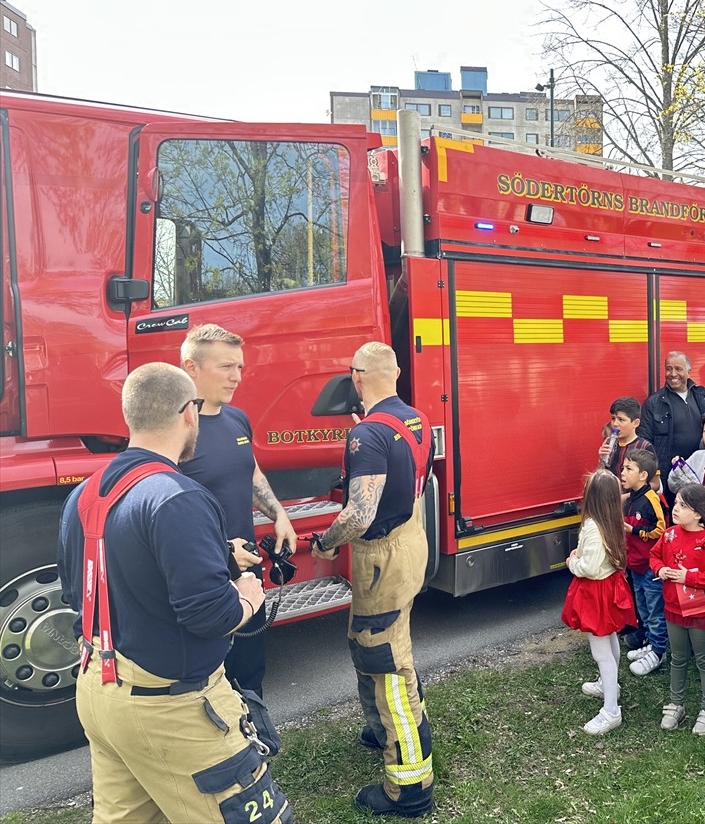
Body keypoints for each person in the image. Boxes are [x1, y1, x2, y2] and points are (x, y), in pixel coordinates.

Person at [57, 363, 289, 823]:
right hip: (172, 709)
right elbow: (211, 616)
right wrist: (246, 595)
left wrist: (213, 558)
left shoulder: (85, 494)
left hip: (100, 692)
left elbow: (84, 590)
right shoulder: (179, 495)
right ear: (189, 414)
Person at [310, 342, 434, 817]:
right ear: (397, 374)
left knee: (386, 662)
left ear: (356, 377)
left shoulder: (367, 435)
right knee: (374, 643)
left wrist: (325, 541)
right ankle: (383, 730)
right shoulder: (415, 419)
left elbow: (360, 514)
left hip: (381, 555)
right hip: (409, 542)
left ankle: (409, 785)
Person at [178, 324, 296, 699]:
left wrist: (279, 513)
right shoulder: (173, 430)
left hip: (248, 573)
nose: (237, 377)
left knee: (249, 672)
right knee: (209, 684)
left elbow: (250, 472)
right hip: (205, 576)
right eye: (226, 367)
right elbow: (164, 510)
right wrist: (220, 548)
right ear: (190, 366)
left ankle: (257, 747)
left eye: (240, 367)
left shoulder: (237, 418)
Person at [562, 468, 638, 736]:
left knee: (600, 650)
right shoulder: (612, 519)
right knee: (611, 639)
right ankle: (610, 685)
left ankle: (611, 710)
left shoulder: (593, 526)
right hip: (609, 587)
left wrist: (573, 562)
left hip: (595, 592)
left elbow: (590, 567)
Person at [651, 482, 705, 735]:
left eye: (683, 506)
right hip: (674, 610)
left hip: (700, 613)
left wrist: (690, 579)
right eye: (676, 503)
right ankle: (676, 704)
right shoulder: (669, 535)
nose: (675, 508)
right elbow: (655, 556)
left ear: (699, 513)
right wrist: (660, 569)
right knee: (678, 657)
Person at [620, 448, 669, 676]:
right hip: (636, 565)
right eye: (623, 468)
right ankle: (650, 642)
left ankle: (659, 650)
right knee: (643, 608)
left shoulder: (652, 498)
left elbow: (661, 529)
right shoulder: (630, 499)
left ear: (643, 475)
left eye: (628, 469)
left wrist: (635, 530)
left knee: (655, 609)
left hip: (651, 566)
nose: (623, 472)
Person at [638, 351, 705, 505]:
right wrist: (654, 476)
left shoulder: (700, 396)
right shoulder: (654, 403)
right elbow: (644, 445)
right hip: (669, 477)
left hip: (698, 473)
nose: (672, 374)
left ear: (689, 372)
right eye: (668, 369)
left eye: (678, 369)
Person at [599, 396, 653, 479]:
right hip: (612, 491)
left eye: (621, 419)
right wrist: (601, 459)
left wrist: (630, 493)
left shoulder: (644, 447)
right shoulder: (609, 442)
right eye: (613, 418)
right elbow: (602, 474)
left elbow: (655, 483)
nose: (615, 424)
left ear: (635, 423)